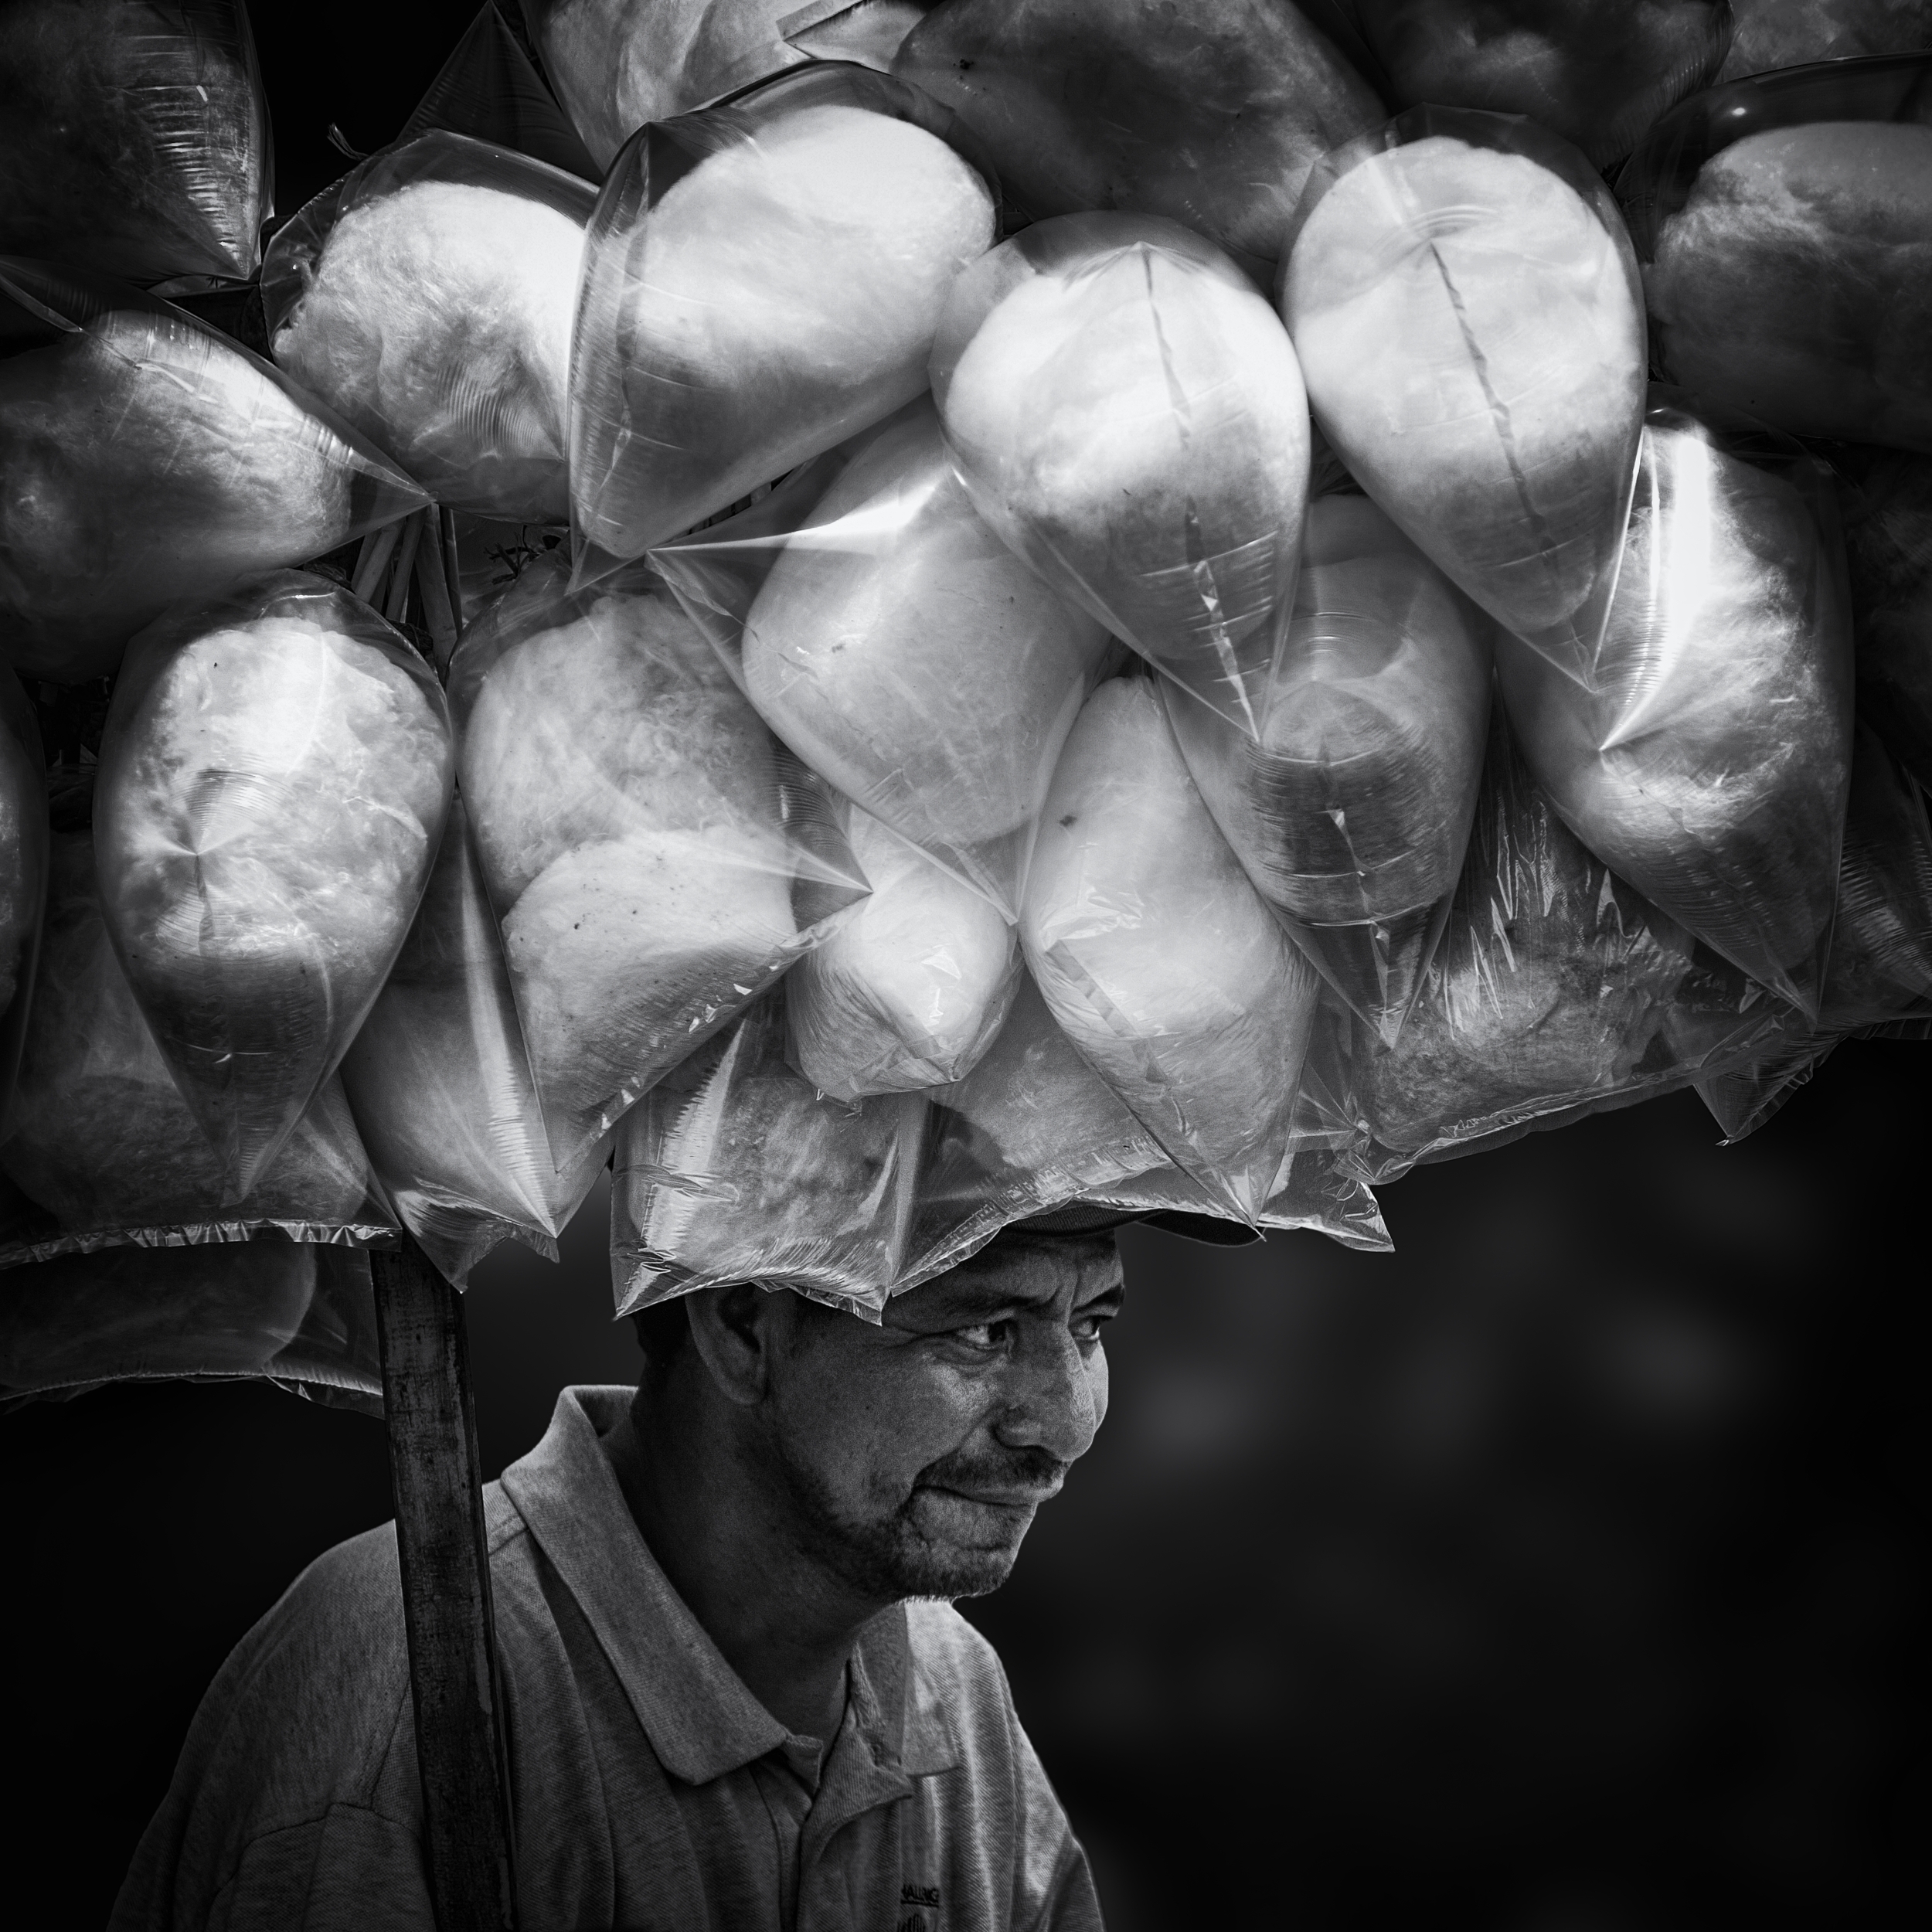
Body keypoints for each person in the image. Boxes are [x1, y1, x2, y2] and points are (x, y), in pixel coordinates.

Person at [111, 1216, 1126, 1930]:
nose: (1066, 1426)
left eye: (1090, 1328)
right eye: (982, 1331)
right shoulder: (414, 1685)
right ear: (742, 1328)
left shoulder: (952, 1684)